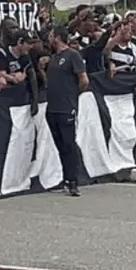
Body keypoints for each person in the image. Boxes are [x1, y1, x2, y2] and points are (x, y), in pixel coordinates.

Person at [46, 27, 87, 197]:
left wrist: (73, 95)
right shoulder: (53, 58)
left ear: (56, 37)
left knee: (69, 144)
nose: (48, 38)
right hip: (52, 108)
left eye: (50, 35)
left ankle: (73, 181)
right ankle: (65, 178)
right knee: (60, 145)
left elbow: (83, 80)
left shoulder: (73, 55)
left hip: (66, 107)